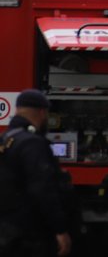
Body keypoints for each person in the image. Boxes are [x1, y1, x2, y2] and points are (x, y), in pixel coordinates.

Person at [0, 89, 72, 257]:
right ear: (42, 112)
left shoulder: (5, 139)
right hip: (28, 234)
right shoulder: (32, 143)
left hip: (6, 231)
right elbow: (42, 189)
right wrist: (60, 229)